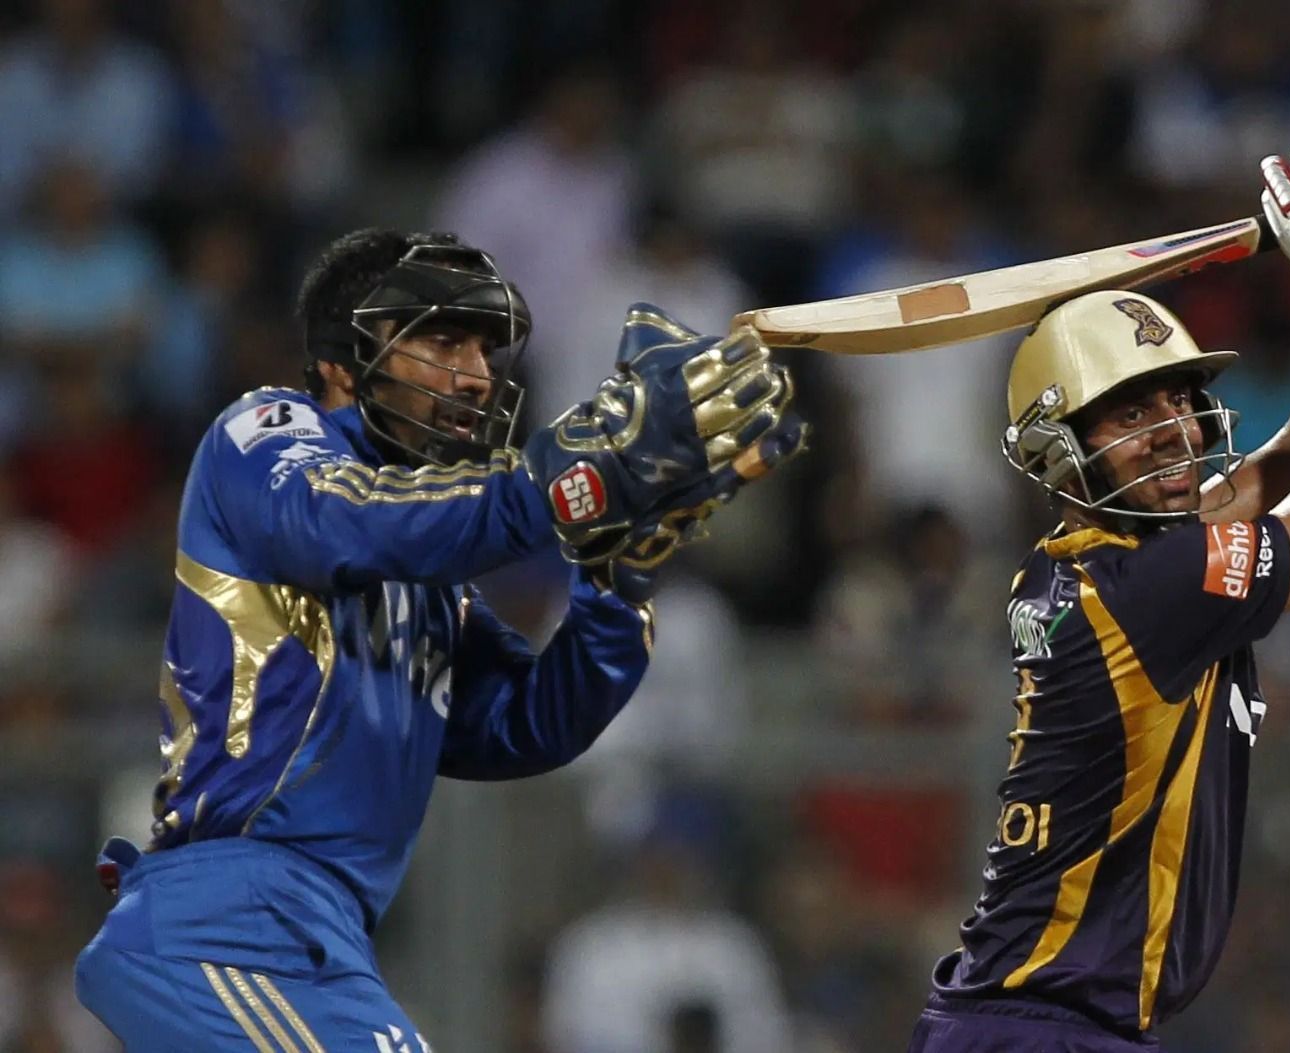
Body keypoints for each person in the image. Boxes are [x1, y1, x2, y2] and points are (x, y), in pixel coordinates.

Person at [72, 228, 807, 1050]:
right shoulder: (265, 434)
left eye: (486, 351)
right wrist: (575, 471)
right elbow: (340, 522)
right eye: (445, 340)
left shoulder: (431, 578)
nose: (478, 373)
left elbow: (525, 724)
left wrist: (618, 570)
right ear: (345, 358)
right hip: (226, 924)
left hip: (322, 944)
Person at [907, 125, 1290, 1051]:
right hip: (1048, 1031)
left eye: (1179, 398)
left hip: (1039, 1024)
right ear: (1060, 450)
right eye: (1132, 411)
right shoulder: (1157, 584)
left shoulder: (1103, 557)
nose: (1173, 429)